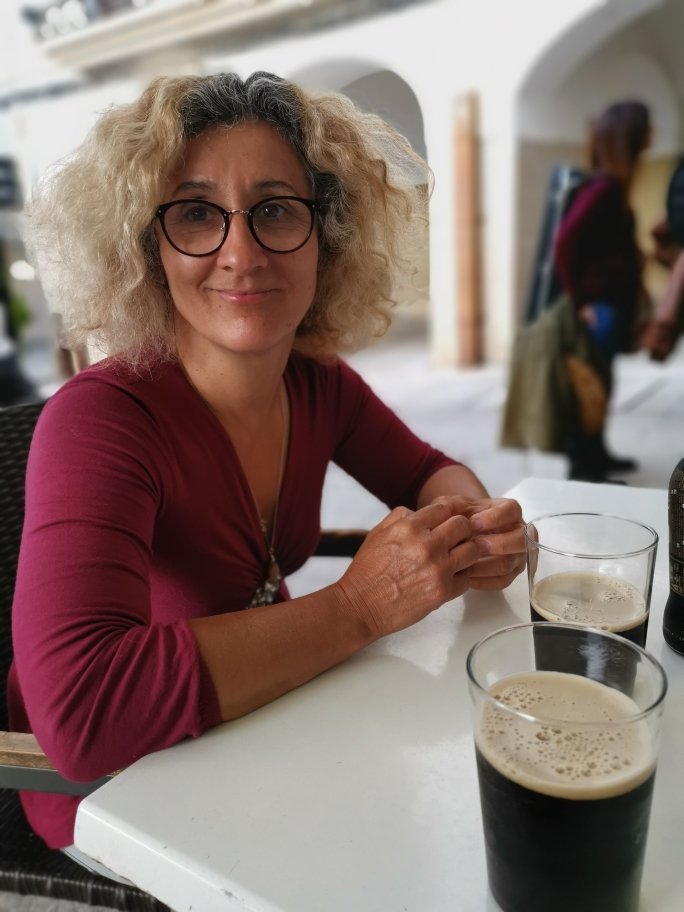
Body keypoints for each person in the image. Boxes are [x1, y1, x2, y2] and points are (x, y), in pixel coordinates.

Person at [9, 72, 526, 856]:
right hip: (120, 784)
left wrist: (476, 527)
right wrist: (359, 607)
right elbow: (84, 715)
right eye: (195, 214)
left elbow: (427, 470)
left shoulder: (318, 383)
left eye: (276, 209)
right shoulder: (101, 421)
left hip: (266, 719)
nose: (241, 252)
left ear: (327, 236)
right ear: (149, 247)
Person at [553, 100, 652, 481]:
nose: (652, 134)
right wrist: (580, 303)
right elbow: (564, 243)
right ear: (631, 136)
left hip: (612, 305)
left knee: (602, 382)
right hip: (600, 307)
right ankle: (583, 467)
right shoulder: (604, 187)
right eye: (646, 127)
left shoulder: (612, 186)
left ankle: (597, 454)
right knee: (588, 385)